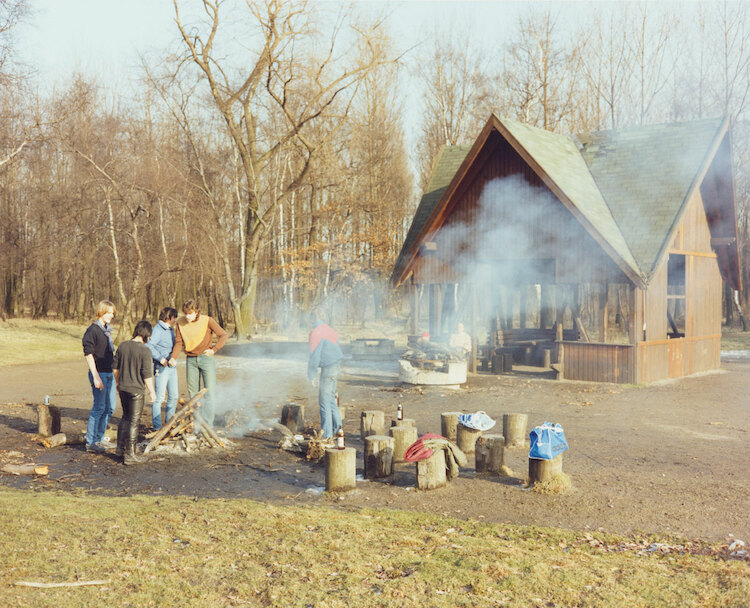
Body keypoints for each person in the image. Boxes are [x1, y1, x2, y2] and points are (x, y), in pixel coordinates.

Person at [169, 299, 227, 429]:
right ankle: (196, 423)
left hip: (206, 358)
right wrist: (173, 357)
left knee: (209, 392)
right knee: (193, 394)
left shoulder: (208, 320)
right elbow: (178, 342)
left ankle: (208, 424)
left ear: (197, 312)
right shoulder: (180, 323)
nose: (187, 317)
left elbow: (223, 335)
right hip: (191, 360)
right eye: (185, 314)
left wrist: (214, 350)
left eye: (190, 313)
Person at [113, 321, 156, 465]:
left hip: (123, 388)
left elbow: (115, 368)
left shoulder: (123, 345)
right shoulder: (145, 350)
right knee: (134, 421)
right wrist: (152, 392)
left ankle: (119, 449)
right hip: (136, 391)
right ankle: (130, 454)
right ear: (146, 335)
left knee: (125, 417)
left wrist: (118, 383)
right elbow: (147, 375)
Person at [82, 300, 118, 453]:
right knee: (99, 407)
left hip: (109, 373)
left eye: (112, 313)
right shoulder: (93, 330)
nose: (111, 315)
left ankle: (99, 438)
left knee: (110, 408)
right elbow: (88, 354)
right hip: (99, 374)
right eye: (108, 312)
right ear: (101, 312)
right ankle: (91, 443)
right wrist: (96, 376)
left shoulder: (106, 330)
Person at [307, 312, 343, 439]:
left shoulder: (315, 333)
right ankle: (338, 429)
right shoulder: (330, 330)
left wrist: (312, 376)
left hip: (328, 367)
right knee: (330, 399)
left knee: (324, 401)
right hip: (336, 364)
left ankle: (327, 435)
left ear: (312, 320)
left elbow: (314, 356)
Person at [147, 306, 178, 431]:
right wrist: (161, 358)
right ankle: (157, 427)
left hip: (172, 368)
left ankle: (169, 425)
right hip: (161, 368)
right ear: (168, 317)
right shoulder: (158, 329)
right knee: (159, 398)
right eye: (174, 317)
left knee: (174, 396)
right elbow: (149, 346)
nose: (175, 320)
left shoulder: (170, 329)